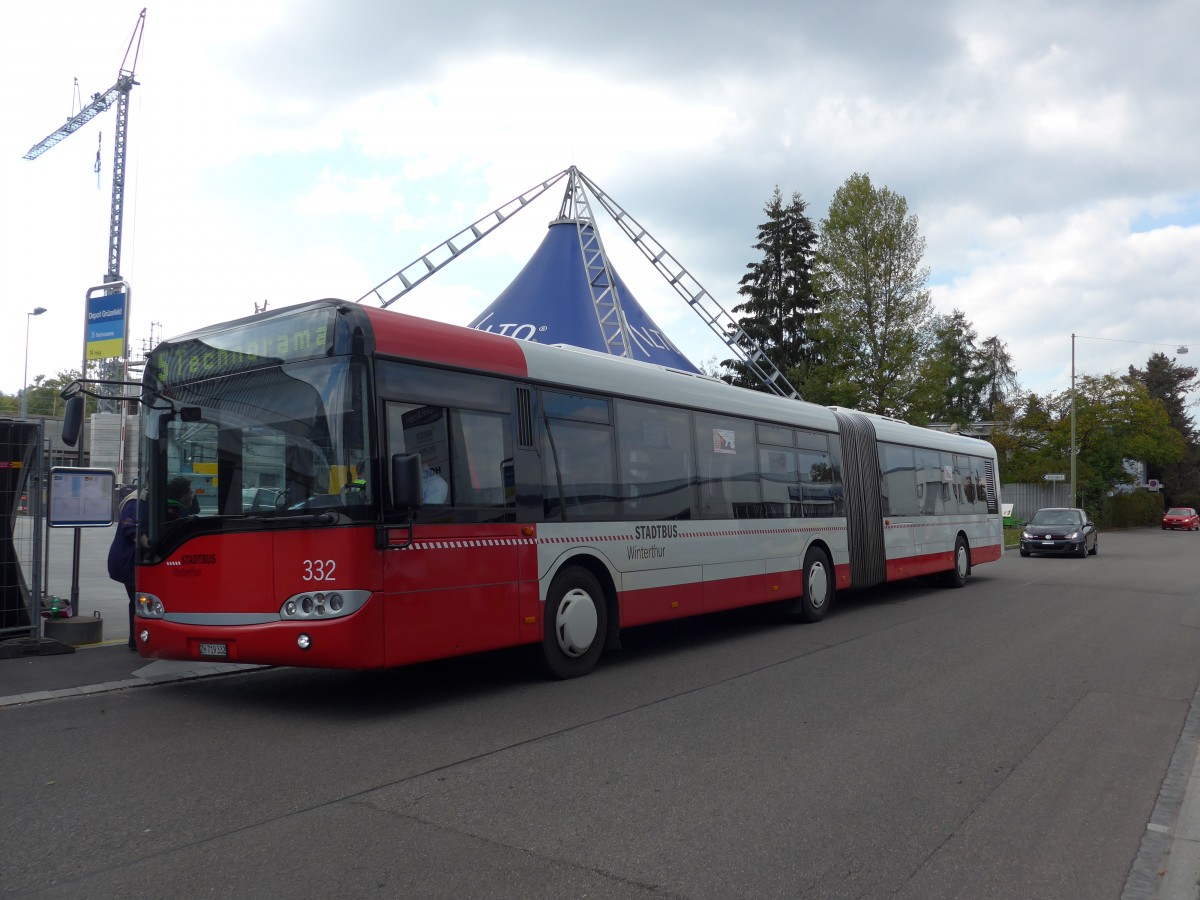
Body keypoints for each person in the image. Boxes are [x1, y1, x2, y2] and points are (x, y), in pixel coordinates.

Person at [106, 490, 142, 650]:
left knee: (137, 600)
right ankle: (136, 641)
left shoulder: (142, 498)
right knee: (137, 600)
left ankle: (136, 640)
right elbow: (129, 528)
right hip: (128, 560)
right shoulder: (135, 501)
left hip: (130, 560)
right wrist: (146, 542)